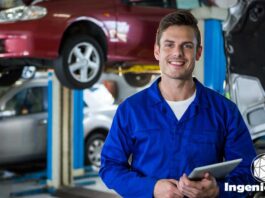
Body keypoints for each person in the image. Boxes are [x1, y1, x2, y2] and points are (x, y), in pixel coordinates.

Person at [99, 10, 256, 198]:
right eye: (169, 45)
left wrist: (218, 190)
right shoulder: (131, 110)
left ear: (198, 53)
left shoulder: (225, 111)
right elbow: (110, 168)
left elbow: (251, 179)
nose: (177, 53)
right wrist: (152, 189)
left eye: (187, 46)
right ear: (157, 51)